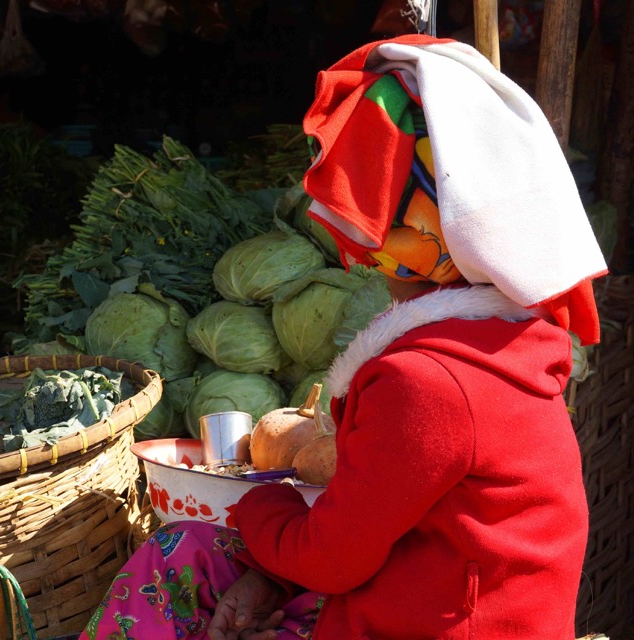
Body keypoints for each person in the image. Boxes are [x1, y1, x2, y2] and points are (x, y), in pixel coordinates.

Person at [78, 33, 608, 640]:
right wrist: (266, 570)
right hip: (437, 601)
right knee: (196, 551)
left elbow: (332, 558)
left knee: (172, 556)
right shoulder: (499, 344)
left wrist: (252, 505)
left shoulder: (426, 383)